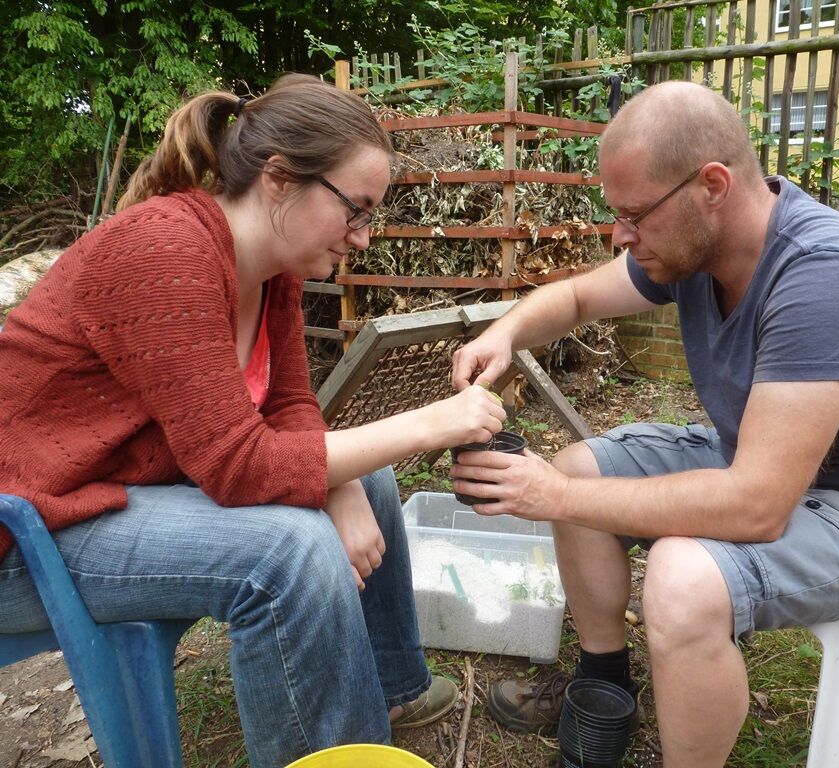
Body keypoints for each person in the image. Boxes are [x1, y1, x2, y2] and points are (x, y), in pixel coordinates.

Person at [0, 74, 507, 768]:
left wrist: (345, 484)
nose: (361, 239)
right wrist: (432, 423)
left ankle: (392, 689)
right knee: (288, 554)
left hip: (113, 487)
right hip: (27, 526)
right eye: (354, 211)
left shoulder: (273, 269)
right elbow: (236, 466)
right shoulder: (165, 251)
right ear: (278, 179)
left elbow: (290, 407)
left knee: (374, 479)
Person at [449, 81, 839, 767]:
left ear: (711, 185)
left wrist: (548, 496)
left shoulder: (823, 275)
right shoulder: (694, 248)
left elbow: (756, 506)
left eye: (634, 215)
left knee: (679, 576)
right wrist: (506, 333)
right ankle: (604, 690)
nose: (620, 236)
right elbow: (574, 296)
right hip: (760, 464)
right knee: (577, 470)